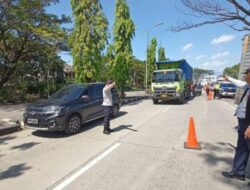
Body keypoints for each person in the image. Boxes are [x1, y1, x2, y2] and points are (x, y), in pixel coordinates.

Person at [222, 68, 250, 182]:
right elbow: (240, 83)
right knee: (242, 148)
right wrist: (228, 78)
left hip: (248, 124)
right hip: (243, 122)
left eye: (247, 75)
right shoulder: (248, 85)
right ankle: (238, 172)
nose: (245, 77)